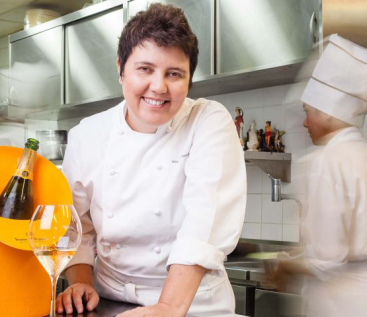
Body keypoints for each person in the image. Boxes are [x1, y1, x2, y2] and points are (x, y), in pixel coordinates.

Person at [58, 4, 246, 316]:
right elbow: (75, 225)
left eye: (174, 74)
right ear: (121, 68)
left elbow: (205, 219)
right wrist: (80, 282)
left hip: (193, 306)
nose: (159, 87)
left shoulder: (208, 120)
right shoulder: (87, 135)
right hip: (110, 301)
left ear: (189, 79)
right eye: (145, 69)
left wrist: (168, 308)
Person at [270, 34, 367, 316]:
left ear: (330, 115)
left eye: (309, 112)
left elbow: (327, 259)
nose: (305, 122)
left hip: (342, 304)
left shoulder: (328, 160)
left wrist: (284, 266)